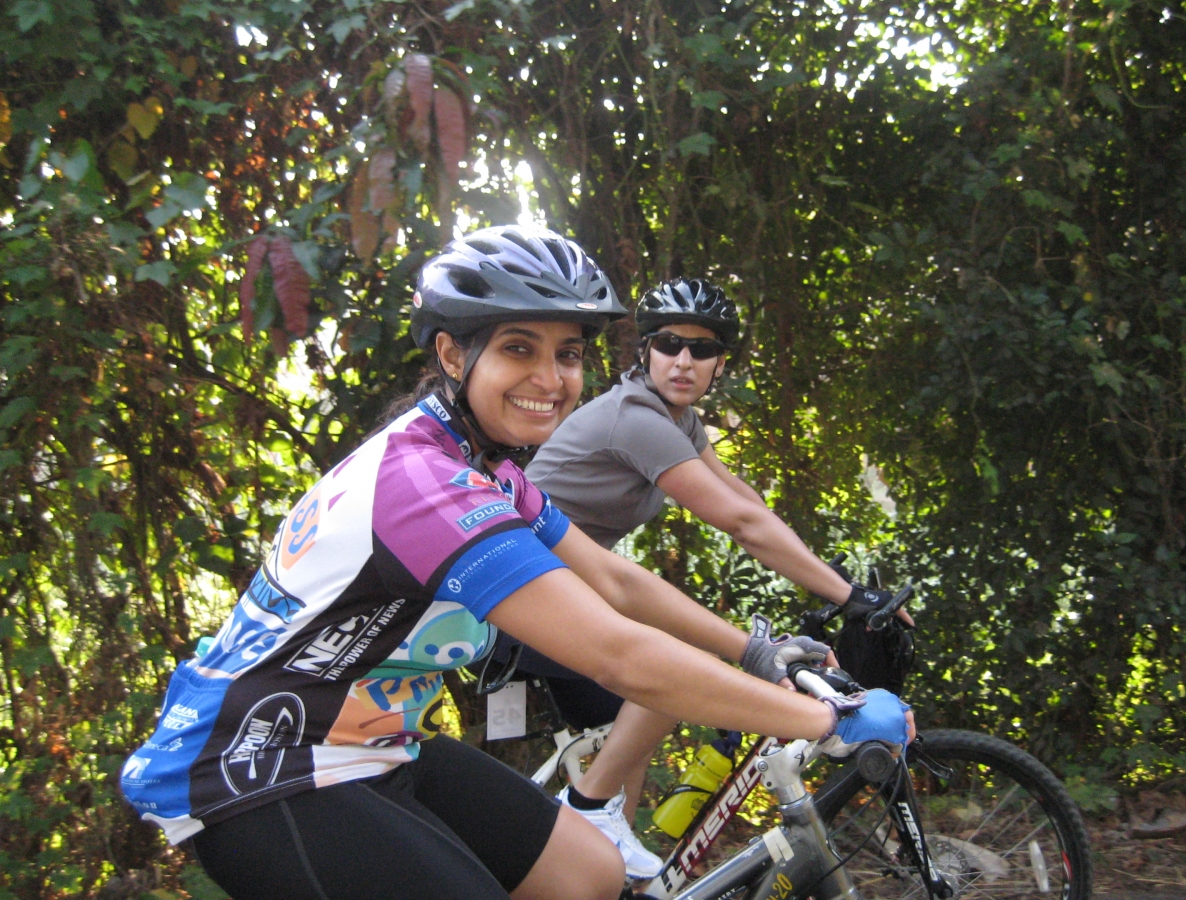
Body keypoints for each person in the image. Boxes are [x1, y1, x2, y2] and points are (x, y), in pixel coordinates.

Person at [119, 227, 909, 900]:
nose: (550, 379)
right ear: (452, 354)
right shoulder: (423, 483)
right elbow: (617, 650)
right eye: (518, 349)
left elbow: (615, 579)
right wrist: (824, 720)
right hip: (261, 771)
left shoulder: (487, 466)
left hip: (372, 746)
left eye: (568, 354)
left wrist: (753, 652)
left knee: (588, 874)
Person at [519, 277, 916, 877]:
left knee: (641, 717)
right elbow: (738, 522)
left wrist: (835, 579)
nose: (683, 360)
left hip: (572, 584)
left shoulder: (679, 421)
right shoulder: (635, 418)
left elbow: (744, 500)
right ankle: (587, 808)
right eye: (669, 343)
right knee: (673, 668)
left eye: (701, 350)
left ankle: (605, 857)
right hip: (522, 593)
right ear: (644, 351)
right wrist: (851, 596)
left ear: (718, 364)